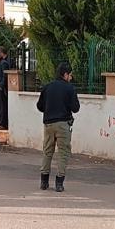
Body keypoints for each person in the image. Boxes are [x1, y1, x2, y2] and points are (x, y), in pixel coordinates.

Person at [36, 62, 80, 193]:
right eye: (70, 75)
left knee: (47, 151)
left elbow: (39, 106)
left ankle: (44, 182)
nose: (71, 77)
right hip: (63, 124)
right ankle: (59, 183)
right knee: (63, 153)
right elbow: (75, 108)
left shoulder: (47, 87)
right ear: (65, 74)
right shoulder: (70, 88)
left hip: (48, 124)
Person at [0, 47, 12, 130]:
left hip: (1, 88)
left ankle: (2, 124)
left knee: (1, 106)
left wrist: (1, 86)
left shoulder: (3, 63)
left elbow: (5, 76)